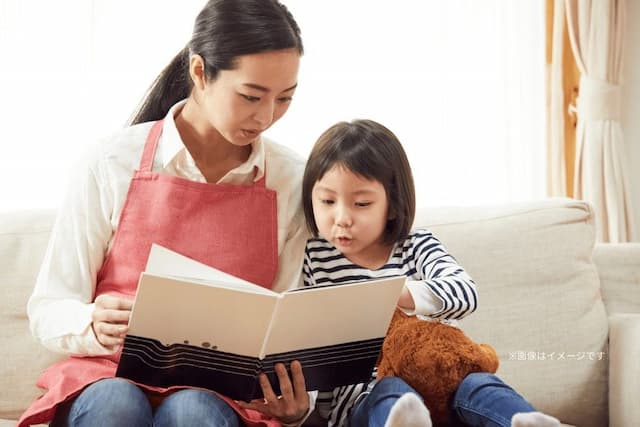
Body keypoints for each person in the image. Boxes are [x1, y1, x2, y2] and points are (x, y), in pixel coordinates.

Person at [19, 1, 314, 426]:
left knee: (192, 410)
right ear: (200, 72)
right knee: (117, 403)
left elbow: (287, 328)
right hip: (107, 376)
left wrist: (296, 405)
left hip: (221, 394)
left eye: (285, 98)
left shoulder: (292, 180)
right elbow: (50, 305)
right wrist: (91, 323)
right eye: (251, 96)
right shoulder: (110, 162)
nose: (267, 116)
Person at [300, 119, 562, 427]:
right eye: (327, 201)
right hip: (365, 399)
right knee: (391, 390)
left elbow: (465, 292)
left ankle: (526, 421)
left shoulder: (416, 244)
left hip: (443, 383)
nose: (342, 218)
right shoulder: (313, 256)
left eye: (361, 203)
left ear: (393, 205)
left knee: (480, 385)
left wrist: (399, 294)